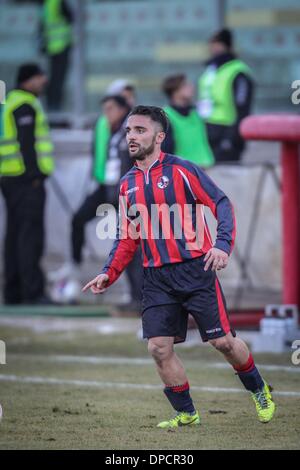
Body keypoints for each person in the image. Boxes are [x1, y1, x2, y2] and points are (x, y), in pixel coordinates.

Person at [83, 105, 275, 428]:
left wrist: (221, 245)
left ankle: (259, 390)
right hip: (156, 277)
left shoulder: (183, 171)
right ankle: (186, 412)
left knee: (223, 342)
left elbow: (221, 203)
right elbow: (127, 237)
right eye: (129, 131)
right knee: (158, 348)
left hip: (194, 271)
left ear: (159, 137)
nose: (131, 136)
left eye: (140, 130)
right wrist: (108, 272)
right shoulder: (127, 184)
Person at [51, 95, 143, 308]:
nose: (106, 114)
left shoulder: (132, 132)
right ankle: (73, 266)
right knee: (78, 219)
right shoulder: (104, 128)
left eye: (111, 108)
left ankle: (137, 296)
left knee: (129, 242)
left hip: (126, 191)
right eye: (104, 109)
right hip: (105, 186)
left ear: (122, 110)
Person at [0, 63, 55, 304]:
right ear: (28, 80)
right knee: (30, 237)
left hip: (10, 177)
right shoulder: (24, 104)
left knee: (13, 235)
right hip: (25, 179)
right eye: (39, 77)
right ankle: (33, 293)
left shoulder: (8, 102)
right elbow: (26, 144)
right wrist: (35, 176)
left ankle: (13, 293)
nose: (43, 81)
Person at [198, 29, 254, 163]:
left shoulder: (237, 71)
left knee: (227, 176)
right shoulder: (211, 69)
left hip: (227, 131)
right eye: (212, 44)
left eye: (218, 44)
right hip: (207, 130)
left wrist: (231, 139)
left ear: (226, 46)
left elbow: (243, 108)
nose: (213, 48)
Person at [162, 74, 214, 168]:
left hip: (206, 166)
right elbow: (166, 147)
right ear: (175, 91)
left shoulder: (198, 111)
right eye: (185, 85)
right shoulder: (165, 115)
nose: (191, 87)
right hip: (182, 168)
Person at [40, 0, 73, 111]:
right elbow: (71, 17)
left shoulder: (47, 3)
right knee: (58, 79)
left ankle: (52, 104)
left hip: (51, 45)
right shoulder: (57, 2)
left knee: (54, 78)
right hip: (61, 45)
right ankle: (54, 106)